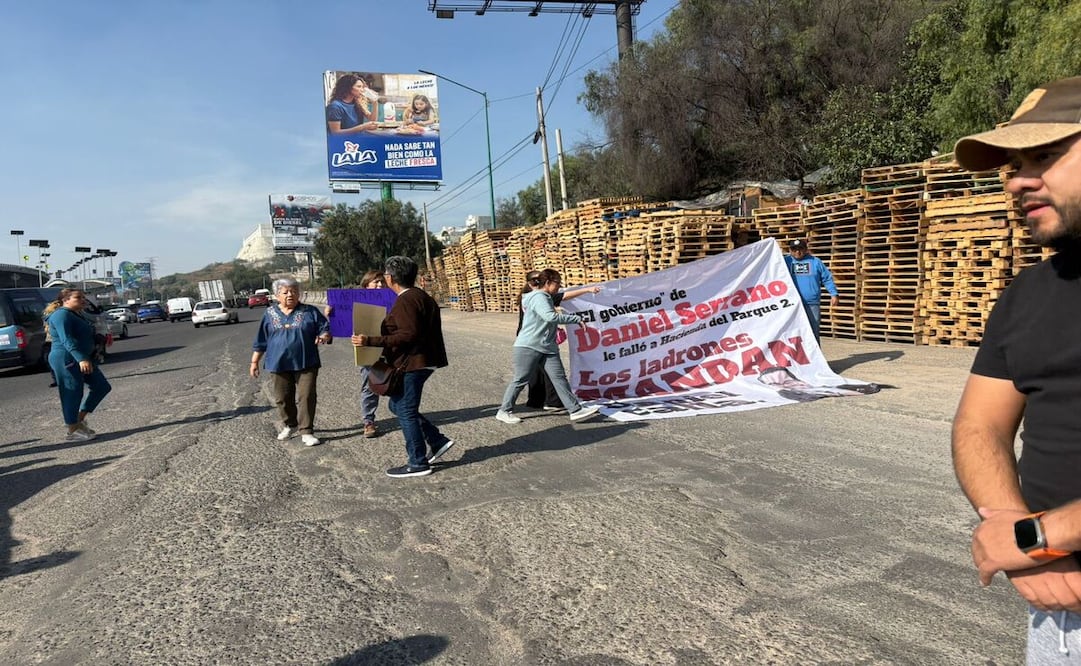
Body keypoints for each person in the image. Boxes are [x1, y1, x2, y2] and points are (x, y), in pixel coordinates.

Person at [950, 75, 1081, 663]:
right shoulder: (1027, 294)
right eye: (1014, 164)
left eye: (1047, 155)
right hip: (1060, 613)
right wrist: (1012, 527)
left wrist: (1036, 538)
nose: (1020, 180)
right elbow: (980, 425)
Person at [353, 256, 452, 479]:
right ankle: (437, 441)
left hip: (414, 363)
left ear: (389, 278)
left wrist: (371, 341)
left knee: (405, 410)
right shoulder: (420, 296)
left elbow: (408, 335)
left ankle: (418, 462)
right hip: (421, 361)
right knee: (398, 407)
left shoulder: (406, 300)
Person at [497, 269, 601, 425]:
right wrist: (575, 319)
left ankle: (575, 410)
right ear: (547, 282)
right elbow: (549, 316)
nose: (559, 287)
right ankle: (504, 411)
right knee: (520, 379)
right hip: (529, 345)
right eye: (557, 283)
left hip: (547, 346)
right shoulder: (539, 297)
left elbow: (556, 305)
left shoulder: (545, 297)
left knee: (559, 378)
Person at [251, 278, 332, 447]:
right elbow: (261, 340)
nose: (290, 295)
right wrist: (254, 362)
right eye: (285, 292)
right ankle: (290, 424)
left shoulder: (310, 311)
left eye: (294, 291)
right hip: (278, 363)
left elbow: (325, 328)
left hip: (306, 361)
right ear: (276, 295)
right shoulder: (269, 314)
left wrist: (324, 336)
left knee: (306, 396)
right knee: (282, 398)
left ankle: (307, 431)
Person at [45, 288, 111, 441]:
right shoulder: (61, 315)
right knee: (72, 392)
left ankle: (78, 419)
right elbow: (66, 339)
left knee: (102, 386)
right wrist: (81, 358)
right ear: (65, 300)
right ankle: (72, 429)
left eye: (83, 297)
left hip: (82, 357)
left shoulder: (76, 314)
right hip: (67, 358)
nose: (83, 300)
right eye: (78, 297)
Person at [784, 238, 838, 342]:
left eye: (800, 249)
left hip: (812, 303)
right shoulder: (784, 262)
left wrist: (833, 294)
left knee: (814, 332)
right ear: (790, 250)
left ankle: (816, 358)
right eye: (794, 249)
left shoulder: (815, 262)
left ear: (806, 249)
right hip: (792, 304)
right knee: (793, 333)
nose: (797, 252)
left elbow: (826, 278)